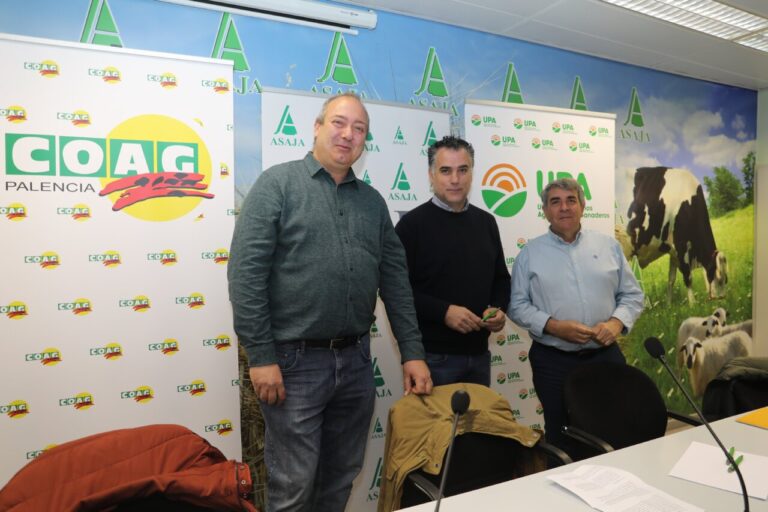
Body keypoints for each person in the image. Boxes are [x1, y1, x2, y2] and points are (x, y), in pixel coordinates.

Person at [227, 92, 432, 512]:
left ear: (365, 142)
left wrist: (412, 352)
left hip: (356, 364)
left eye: (359, 129)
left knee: (340, 480)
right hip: (292, 365)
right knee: (293, 487)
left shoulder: (373, 202)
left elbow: (395, 280)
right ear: (318, 127)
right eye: (339, 122)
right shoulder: (278, 184)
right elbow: (245, 276)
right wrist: (260, 357)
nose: (348, 134)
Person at [507, 178, 644, 449]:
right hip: (553, 362)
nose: (564, 208)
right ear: (545, 210)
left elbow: (632, 294)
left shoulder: (609, 247)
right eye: (555, 202)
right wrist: (553, 326)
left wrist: (617, 323)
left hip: (606, 355)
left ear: (582, 206)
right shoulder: (530, 254)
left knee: (617, 424)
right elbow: (517, 305)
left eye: (571, 200)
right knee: (560, 434)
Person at [395, 135, 509, 387]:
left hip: (480, 356)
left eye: (462, 170)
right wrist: (443, 312)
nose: (455, 180)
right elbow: (397, 292)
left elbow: (501, 279)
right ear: (431, 174)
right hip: (432, 359)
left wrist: (499, 309)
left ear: (471, 173)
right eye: (446, 171)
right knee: (437, 429)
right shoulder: (411, 225)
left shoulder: (486, 222)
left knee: (476, 428)